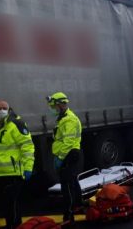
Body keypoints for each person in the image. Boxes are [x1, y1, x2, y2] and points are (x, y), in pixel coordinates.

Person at [0, 100, 34, 228]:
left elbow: (27, 147)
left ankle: (14, 226)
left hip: (12, 173)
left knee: (11, 206)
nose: (1, 111)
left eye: (4, 108)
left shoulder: (16, 124)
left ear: (9, 109)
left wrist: (28, 167)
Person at [46, 92, 82, 224]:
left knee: (66, 186)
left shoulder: (69, 120)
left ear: (60, 105)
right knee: (72, 181)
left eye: (53, 107)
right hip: (68, 154)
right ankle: (78, 205)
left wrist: (60, 158)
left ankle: (69, 215)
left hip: (68, 154)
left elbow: (68, 142)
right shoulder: (64, 118)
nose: (52, 110)